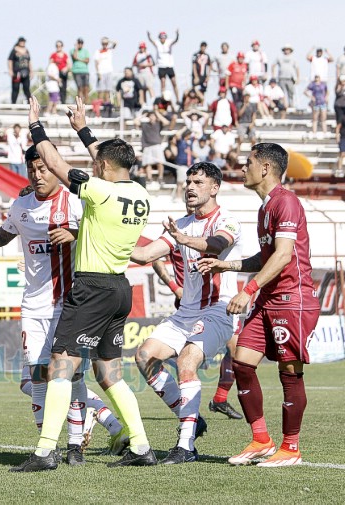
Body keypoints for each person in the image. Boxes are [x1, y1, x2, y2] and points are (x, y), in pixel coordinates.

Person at [11, 96, 157, 471]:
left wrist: (35, 126)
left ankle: (45, 451)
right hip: (121, 288)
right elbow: (108, 158)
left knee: (60, 366)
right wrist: (83, 130)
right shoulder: (139, 193)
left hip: (90, 288)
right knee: (109, 374)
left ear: (103, 167)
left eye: (96, 164)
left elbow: (58, 166)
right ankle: (140, 445)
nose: (93, 165)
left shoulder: (100, 191)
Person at [198, 142, 320, 467]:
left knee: (289, 373)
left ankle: (290, 447)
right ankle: (261, 439)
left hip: (291, 300)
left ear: (265, 168)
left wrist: (247, 290)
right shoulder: (266, 207)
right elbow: (264, 257)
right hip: (268, 300)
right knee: (241, 363)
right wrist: (228, 265)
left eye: (248, 162)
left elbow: (283, 256)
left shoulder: (287, 202)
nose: (242, 168)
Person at [129, 162, 242, 463]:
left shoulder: (228, 221)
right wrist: (107, 238)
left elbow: (218, 244)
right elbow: (143, 255)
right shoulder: (181, 224)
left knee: (186, 361)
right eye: (188, 181)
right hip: (186, 313)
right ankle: (190, 416)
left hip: (218, 310)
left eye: (198, 182)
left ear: (215, 188)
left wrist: (185, 240)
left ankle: (186, 445)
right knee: (144, 357)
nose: (190, 187)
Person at [141, 110, 169, 187]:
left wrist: (157, 113)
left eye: (153, 116)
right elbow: (135, 121)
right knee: (147, 163)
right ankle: (149, 178)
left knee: (160, 162)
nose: (152, 117)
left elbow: (166, 122)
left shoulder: (158, 124)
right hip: (147, 146)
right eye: (150, 116)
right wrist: (144, 115)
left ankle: (160, 178)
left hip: (156, 145)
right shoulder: (144, 124)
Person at [148, 30, 179, 99]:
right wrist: (149, 36)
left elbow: (175, 41)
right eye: (161, 37)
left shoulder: (169, 42)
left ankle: (177, 99)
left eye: (164, 37)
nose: (162, 38)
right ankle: (163, 99)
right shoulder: (157, 43)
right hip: (161, 66)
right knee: (163, 83)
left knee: (174, 82)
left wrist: (177, 35)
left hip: (169, 66)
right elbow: (152, 41)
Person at [273, 44, 299, 109]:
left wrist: (298, 78)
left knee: (291, 92)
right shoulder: (279, 58)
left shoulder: (293, 59)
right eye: (285, 49)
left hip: (290, 78)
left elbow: (297, 68)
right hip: (281, 78)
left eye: (288, 50)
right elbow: (273, 65)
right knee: (281, 93)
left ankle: (291, 105)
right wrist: (273, 75)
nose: (287, 51)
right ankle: (282, 106)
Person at [8, 37, 32, 104]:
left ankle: (30, 103)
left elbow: (29, 61)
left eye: (23, 42)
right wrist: (10, 70)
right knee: (15, 89)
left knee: (26, 89)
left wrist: (31, 71)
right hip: (17, 73)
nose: (22, 43)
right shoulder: (14, 50)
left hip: (26, 73)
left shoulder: (26, 50)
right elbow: (10, 60)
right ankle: (13, 104)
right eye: (21, 41)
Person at [94, 37, 117, 106]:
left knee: (108, 89)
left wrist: (108, 40)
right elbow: (96, 63)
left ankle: (106, 102)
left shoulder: (109, 50)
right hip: (101, 72)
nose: (105, 45)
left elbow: (115, 43)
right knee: (100, 89)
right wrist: (98, 73)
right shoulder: (98, 51)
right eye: (103, 43)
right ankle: (99, 103)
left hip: (109, 71)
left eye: (106, 43)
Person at [71, 38, 90, 103]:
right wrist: (76, 48)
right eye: (79, 43)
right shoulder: (72, 50)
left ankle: (86, 103)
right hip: (76, 72)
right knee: (80, 88)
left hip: (85, 71)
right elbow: (75, 57)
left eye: (81, 43)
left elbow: (87, 60)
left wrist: (78, 59)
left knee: (86, 88)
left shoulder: (86, 51)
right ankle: (80, 103)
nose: (80, 44)